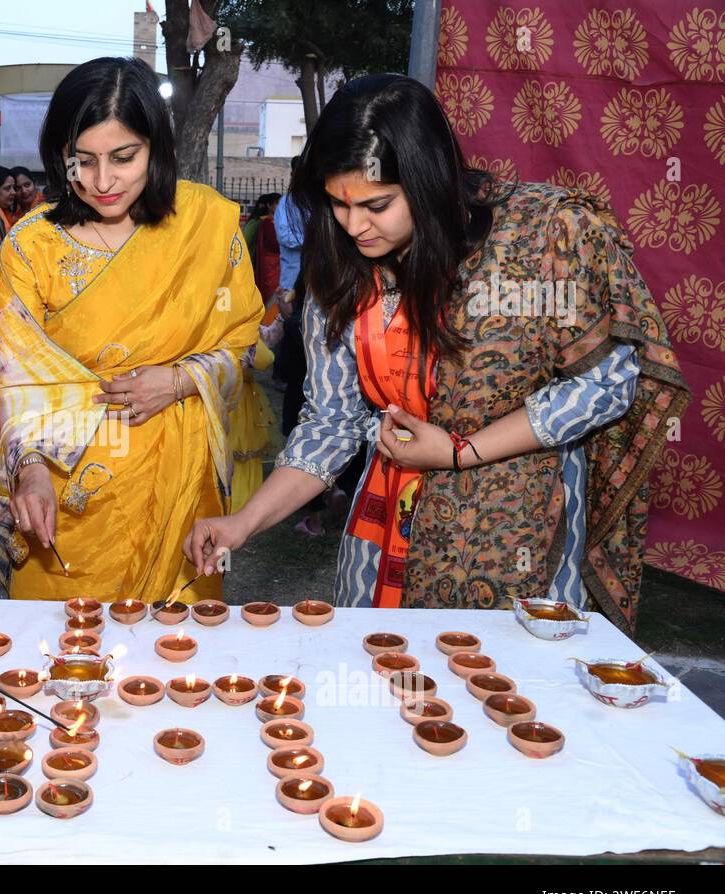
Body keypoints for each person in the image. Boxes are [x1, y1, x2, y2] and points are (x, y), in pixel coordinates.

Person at [186, 74, 689, 634]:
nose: (354, 226)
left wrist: (460, 451)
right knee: (382, 683)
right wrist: (245, 522)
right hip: (382, 531)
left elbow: (607, 382)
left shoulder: (544, 234)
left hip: (514, 527)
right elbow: (332, 424)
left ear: (426, 179)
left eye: (376, 204)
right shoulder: (344, 268)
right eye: (337, 204)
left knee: (505, 700)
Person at [0, 56, 262, 603]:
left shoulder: (205, 225)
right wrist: (32, 471)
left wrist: (181, 381)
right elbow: (13, 381)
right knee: (64, 657)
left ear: (155, 149)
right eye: (82, 161)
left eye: (124, 157)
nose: (103, 181)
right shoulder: (30, 246)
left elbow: (246, 348)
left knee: (174, 655)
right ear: (60, 156)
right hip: (68, 494)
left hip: (176, 483)